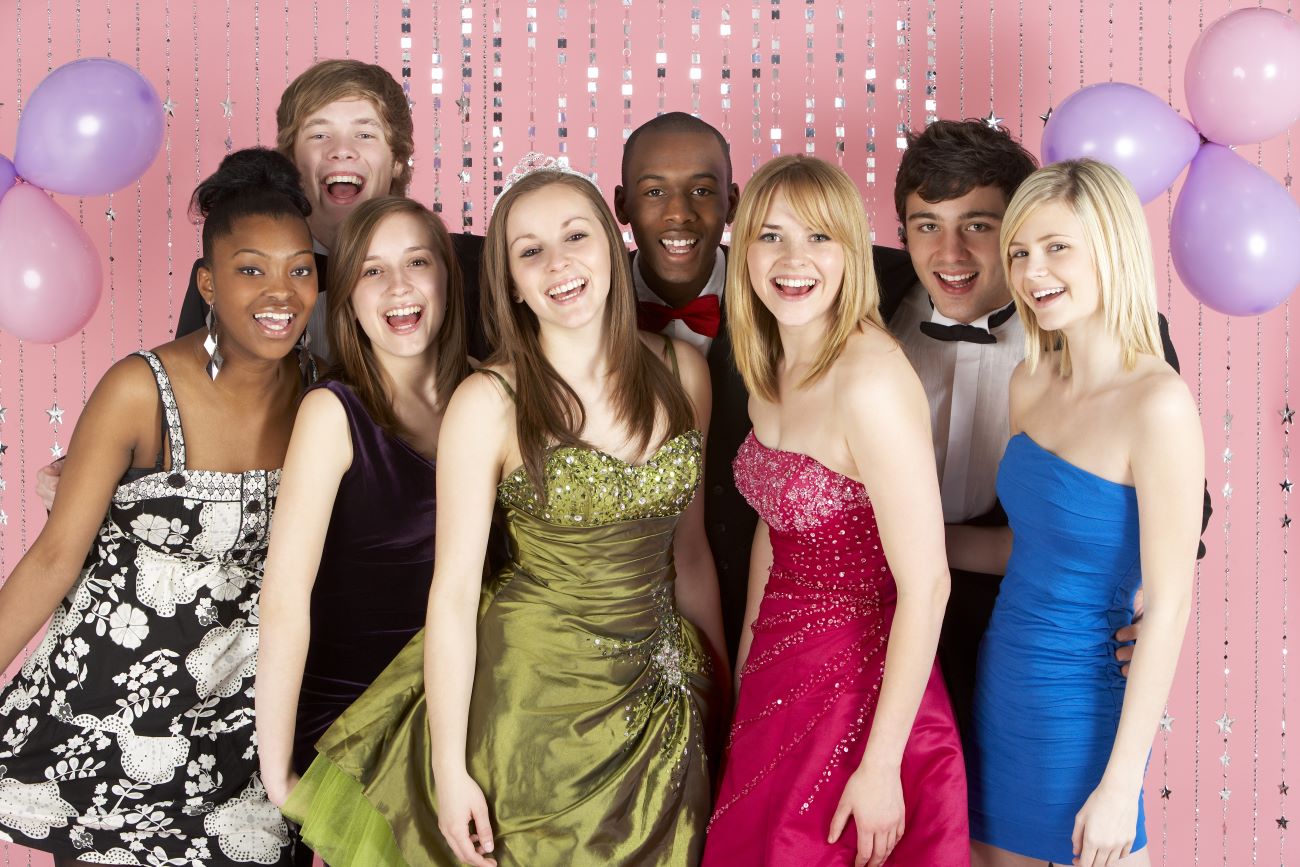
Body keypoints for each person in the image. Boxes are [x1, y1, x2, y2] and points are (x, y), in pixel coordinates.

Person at [281, 154, 726, 866]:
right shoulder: (488, 402)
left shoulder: (683, 373)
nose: (558, 264)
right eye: (530, 251)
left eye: (575, 236)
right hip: (528, 706)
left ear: (612, 248)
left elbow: (692, 552)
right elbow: (453, 594)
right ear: (511, 282)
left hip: (664, 699)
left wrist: (722, 696)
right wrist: (450, 768)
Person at [0, 147, 317, 866]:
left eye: (300, 268)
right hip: (104, 722)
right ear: (208, 282)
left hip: (237, 739)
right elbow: (54, 558)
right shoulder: (139, 390)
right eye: (251, 269)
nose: (281, 291)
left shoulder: (323, 396)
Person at [35, 58, 488, 509]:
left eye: (365, 134)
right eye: (319, 134)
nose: (342, 150)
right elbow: (187, 409)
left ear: (397, 159)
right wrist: (107, 463)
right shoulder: (234, 281)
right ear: (291, 162)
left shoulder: (471, 267)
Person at [882, 119, 1194, 738]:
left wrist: (1137, 591)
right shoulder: (862, 296)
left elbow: (1177, 502)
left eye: (978, 225)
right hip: (880, 610)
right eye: (927, 226)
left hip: (1020, 631)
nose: (950, 254)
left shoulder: (1124, 344)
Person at [702, 155, 969, 867]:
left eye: (820, 238)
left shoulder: (871, 381)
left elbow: (928, 584)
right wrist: (753, 666)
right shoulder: (769, 365)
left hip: (865, 686)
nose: (794, 260)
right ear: (745, 251)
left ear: (852, 250)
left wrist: (882, 764)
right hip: (780, 669)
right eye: (771, 236)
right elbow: (775, 526)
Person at [967, 159, 1201, 867]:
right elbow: (1022, 546)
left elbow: (1169, 603)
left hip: (1087, 707)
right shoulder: (1029, 381)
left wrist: (1122, 780)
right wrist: (903, 537)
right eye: (1019, 251)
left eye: (1056, 246)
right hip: (1002, 683)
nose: (1033, 270)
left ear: (1112, 248)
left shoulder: (1156, 404)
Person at [616, 112, 915, 665]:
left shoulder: (794, 298)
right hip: (619, 618)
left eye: (702, 191)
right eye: (654, 191)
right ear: (621, 206)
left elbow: (937, 260)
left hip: (776, 620)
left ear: (732, 203)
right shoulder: (577, 304)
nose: (679, 211)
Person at [253, 197, 469, 807]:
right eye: (372, 271)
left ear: (447, 276)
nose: (398, 287)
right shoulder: (331, 413)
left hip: (474, 709)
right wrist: (277, 773)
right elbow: (285, 598)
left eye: (417, 262)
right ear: (346, 295)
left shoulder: (491, 394)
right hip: (360, 721)